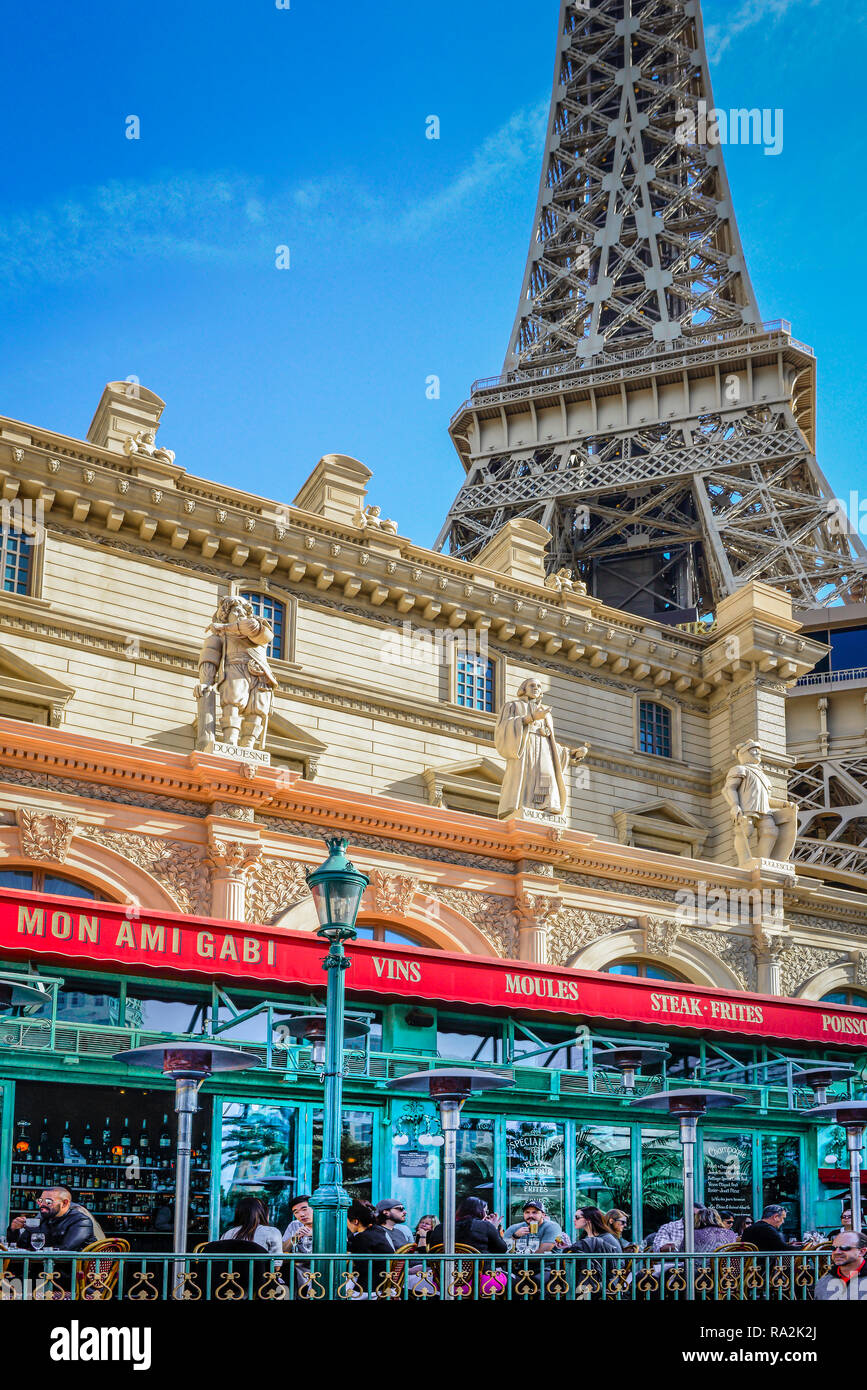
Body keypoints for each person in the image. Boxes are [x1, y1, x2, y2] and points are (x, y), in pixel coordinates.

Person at [8, 1187, 96, 1252]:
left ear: (64, 1203)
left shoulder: (81, 1221)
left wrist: (35, 1249)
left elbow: (65, 1249)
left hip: (71, 1272)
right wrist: (14, 1230)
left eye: (48, 1202)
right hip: (42, 1267)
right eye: (40, 1201)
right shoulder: (42, 1219)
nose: (42, 1205)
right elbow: (21, 1246)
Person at [347, 1200, 394, 1298]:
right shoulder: (377, 1230)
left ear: (355, 1221)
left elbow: (361, 1267)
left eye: (346, 1220)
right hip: (384, 1283)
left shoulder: (362, 1238)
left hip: (368, 1287)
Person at [429, 1197, 508, 1255]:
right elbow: (502, 1249)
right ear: (480, 1212)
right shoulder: (486, 1226)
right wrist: (494, 1228)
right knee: (514, 1277)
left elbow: (432, 1252)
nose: (486, 1214)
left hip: (443, 1274)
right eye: (486, 1211)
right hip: (479, 1274)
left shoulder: (440, 1227)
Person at [814, 1231, 867, 1300]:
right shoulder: (823, 1283)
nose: (837, 1252)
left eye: (844, 1248)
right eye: (833, 1248)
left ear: (861, 1252)